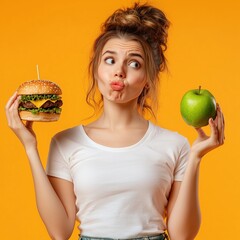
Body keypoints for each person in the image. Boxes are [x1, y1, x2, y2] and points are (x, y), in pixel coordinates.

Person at [5, 3, 225, 240]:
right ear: (96, 69)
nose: (119, 71)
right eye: (110, 60)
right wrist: (30, 147)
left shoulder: (175, 144)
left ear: (148, 80)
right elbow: (59, 231)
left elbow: (183, 236)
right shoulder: (65, 142)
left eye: (134, 63)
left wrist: (196, 157)